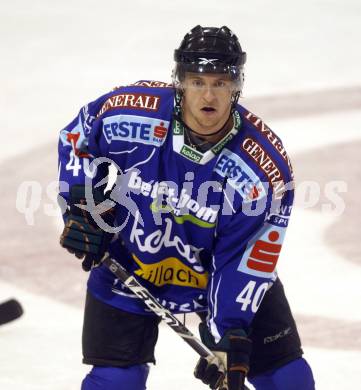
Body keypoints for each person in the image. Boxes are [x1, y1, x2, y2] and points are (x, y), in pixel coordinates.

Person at [58, 25, 315, 390]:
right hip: (131, 261)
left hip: (217, 274)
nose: (208, 95)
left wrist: (227, 335)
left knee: (287, 380)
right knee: (115, 381)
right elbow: (77, 137)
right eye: (197, 82)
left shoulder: (261, 169)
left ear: (236, 86)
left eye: (219, 83)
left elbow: (246, 256)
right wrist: (84, 206)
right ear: (179, 82)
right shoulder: (132, 114)